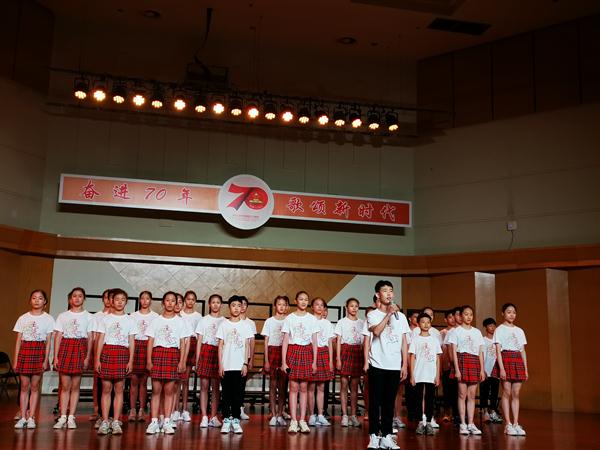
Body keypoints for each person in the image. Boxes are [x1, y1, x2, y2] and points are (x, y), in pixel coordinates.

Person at [365, 280, 409, 450]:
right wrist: (389, 314)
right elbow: (376, 331)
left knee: (389, 403)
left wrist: (404, 365)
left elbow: (404, 341)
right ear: (378, 295)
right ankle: (374, 436)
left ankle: (387, 436)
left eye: (391, 290)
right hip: (377, 364)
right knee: (375, 402)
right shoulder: (373, 315)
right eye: (385, 291)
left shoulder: (401, 317)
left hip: (394, 365)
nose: (389, 294)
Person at [145, 292, 191, 435]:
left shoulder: (180, 322)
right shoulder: (156, 321)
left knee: (169, 390)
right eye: (167, 300)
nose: (170, 303)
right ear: (163, 303)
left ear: (176, 303)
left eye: (173, 301)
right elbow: (150, 341)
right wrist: (149, 360)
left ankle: (166, 421)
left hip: (173, 354)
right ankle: (154, 421)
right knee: (156, 390)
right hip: (158, 353)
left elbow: (183, 343)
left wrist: (182, 361)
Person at [95, 288, 136, 435]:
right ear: (112, 301)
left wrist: (130, 361)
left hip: (122, 353)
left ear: (126, 302)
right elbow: (100, 340)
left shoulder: (130, 320)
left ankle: (116, 421)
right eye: (117, 299)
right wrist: (97, 359)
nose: (120, 302)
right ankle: (105, 421)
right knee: (106, 388)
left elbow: (131, 342)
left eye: (123, 300)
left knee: (119, 389)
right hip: (107, 352)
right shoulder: (105, 319)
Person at [13, 289, 55, 429]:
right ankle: (23, 417)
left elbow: (48, 342)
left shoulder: (48, 319)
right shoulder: (23, 318)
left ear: (45, 302)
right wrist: (16, 360)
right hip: (25, 351)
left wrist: (45, 359)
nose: (37, 300)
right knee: (24, 386)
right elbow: (18, 341)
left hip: (39, 351)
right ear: (30, 300)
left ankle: (31, 417)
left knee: (35, 386)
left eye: (40, 298)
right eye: (34, 298)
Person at [53, 287, 94, 429]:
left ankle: (71, 417)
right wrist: (56, 356)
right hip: (65, 348)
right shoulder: (63, 316)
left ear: (84, 299)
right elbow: (58, 336)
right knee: (65, 386)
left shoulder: (89, 316)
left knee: (76, 386)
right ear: (70, 299)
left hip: (80, 349)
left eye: (80, 296)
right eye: (74, 296)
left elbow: (90, 338)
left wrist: (87, 357)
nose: (77, 298)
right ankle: (62, 416)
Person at [281, 291, 318, 434]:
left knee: (304, 387)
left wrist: (314, 361)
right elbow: (285, 340)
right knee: (293, 387)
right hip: (293, 351)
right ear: (296, 301)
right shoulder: (289, 318)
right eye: (301, 299)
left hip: (306, 351)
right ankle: (293, 421)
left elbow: (314, 341)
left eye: (306, 299)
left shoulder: (312, 319)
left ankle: (302, 420)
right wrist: (284, 362)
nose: (303, 302)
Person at [217, 295, 254, 434]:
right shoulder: (224, 325)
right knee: (226, 394)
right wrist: (220, 365)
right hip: (226, 366)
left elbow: (247, 345)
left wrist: (245, 363)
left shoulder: (246, 326)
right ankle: (226, 420)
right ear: (229, 307)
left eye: (239, 305)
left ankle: (236, 420)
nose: (236, 308)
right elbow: (220, 346)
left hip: (239, 366)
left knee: (238, 395)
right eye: (233, 305)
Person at [492, 303, 528, 436]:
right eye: (508, 312)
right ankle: (508, 424)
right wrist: (501, 368)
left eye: (513, 312)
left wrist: (525, 368)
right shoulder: (499, 330)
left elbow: (522, 351)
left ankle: (516, 423)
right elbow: (498, 351)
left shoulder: (520, 331)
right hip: (505, 359)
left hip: (517, 360)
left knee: (516, 393)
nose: (511, 314)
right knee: (506, 392)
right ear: (503, 313)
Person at [448, 305, 485, 435]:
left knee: (472, 395)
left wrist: (482, 370)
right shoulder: (456, 331)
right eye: (466, 314)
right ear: (461, 316)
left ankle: (471, 423)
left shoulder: (477, 332)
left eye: (471, 314)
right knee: (462, 394)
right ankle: (463, 423)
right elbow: (453, 351)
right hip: (462, 361)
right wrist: (457, 369)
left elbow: (480, 352)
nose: (469, 317)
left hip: (474, 362)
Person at [409, 313, 442, 436]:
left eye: (428, 322)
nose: (426, 324)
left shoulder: (434, 340)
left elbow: (438, 358)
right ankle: (420, 422)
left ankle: (428, 422)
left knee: (430, 398)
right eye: (423, 322)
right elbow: (412, 357)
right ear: (418, 324)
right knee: (418, 398)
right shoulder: (415, 339)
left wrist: (437, 376)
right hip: (418, 374)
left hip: (431, 374)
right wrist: (412, 375)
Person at [195, 294, 225, 428]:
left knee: (216, 387)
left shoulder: (224, 321)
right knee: (204, 386)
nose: (215, 304)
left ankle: (213, 416)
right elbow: (199, 341)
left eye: (218, 302)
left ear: (221, 305)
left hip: (218, 352)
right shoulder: (203, 320)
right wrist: (197, 359)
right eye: (213, 302)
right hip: (206, 351)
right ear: (209, 304)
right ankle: (204, 416)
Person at [129, 290, 158, 422]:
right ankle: (132, 409)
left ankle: (141, 409)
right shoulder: (133, 316)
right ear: (139, 300)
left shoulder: (155, 316)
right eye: (142, 298)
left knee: (144, 381)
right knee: (133, 380)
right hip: (135, 346)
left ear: (150, 300)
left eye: (147, 298)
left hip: (148, 347)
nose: (145, 301)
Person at [335, 297, 365, 428]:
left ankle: (353, 415)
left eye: (356, 306)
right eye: (351, 306)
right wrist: (338, 358)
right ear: (346, 307)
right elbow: (338, 341)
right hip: (345, 351)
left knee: (354, 386)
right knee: (343, 384)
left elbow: (364, 342)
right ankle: (344, 415)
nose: (354, 308)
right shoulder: (341, 322)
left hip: (357, 352)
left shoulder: (362, 323)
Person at [261, 295, 289, 426]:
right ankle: (273, 413)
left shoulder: (289, 320)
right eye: (279, 304)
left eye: (284, 304)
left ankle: (280, 413)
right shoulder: (269, 321)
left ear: (287, 306)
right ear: (275, 306)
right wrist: (266, 360)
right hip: (272, 351)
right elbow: (266, 341)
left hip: (285, 352)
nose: (281, 307)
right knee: (272, 384)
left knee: (282, 386)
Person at [307, 297, 334, 427]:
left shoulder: (327, 323)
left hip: (324, 353)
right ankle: (311, 415)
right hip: (311, 352)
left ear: (324, 308)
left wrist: (331, 361)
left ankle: (321, 415)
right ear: (312, 306)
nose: (319, 307)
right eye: (316, 304)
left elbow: (329, 342)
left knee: (321, 387)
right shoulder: (308, 320)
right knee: (311, 387)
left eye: (321, 305)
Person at [178, 290, 202, 422]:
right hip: (180, 344)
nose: (190, 301)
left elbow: (199, 335)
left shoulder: (198, 316)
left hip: (192, 344)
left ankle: (185, 409)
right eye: (188, 299)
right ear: (184, 300)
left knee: (186, 380)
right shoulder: (180, 314)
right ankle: (175, 409)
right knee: (177, 379)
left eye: (193, 299)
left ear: (195, 301)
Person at [90, 289, 111, 424]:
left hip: (112, 350)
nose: (108, 300)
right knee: (97, 381)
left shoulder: (117, 316)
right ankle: (97, 409)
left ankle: (110, 413)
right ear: (103, 299)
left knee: (111, 383)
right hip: (98, 349)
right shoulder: (97, 316)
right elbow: (93, 336)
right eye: (106, 298)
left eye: (111, 298)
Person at [480, 317, 502, 423]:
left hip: (495, 369)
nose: (492, 328)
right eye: (490, 326)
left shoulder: (497, 341)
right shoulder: (483, 340)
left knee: (495, 391)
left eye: (494, 326)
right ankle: (485, 412)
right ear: (486, 327)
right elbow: (480, 355)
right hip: (485, 369)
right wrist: (482, 369)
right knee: (484, 391)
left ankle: (493, 411)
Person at [239, 296, 256, 420]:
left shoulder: (250, 323)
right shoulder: (230, 321)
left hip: (245, 357)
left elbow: (252, 342)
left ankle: (240, 408)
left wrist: (251, 359)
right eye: (240, 304)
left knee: (241, 384)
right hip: (233, 356)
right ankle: (230, 408)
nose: (242, 306)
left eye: (245, 304)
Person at [440, 309, 456, 423]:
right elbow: (440, 349)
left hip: (456, 366)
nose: (453, 319)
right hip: (446, 365)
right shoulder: (442, 333)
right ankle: (446, 413)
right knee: (447, 391)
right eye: (450, 317)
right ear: (445, 320)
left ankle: (456, 414)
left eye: (454, 317)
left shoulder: (458, 331)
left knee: (456, 390)